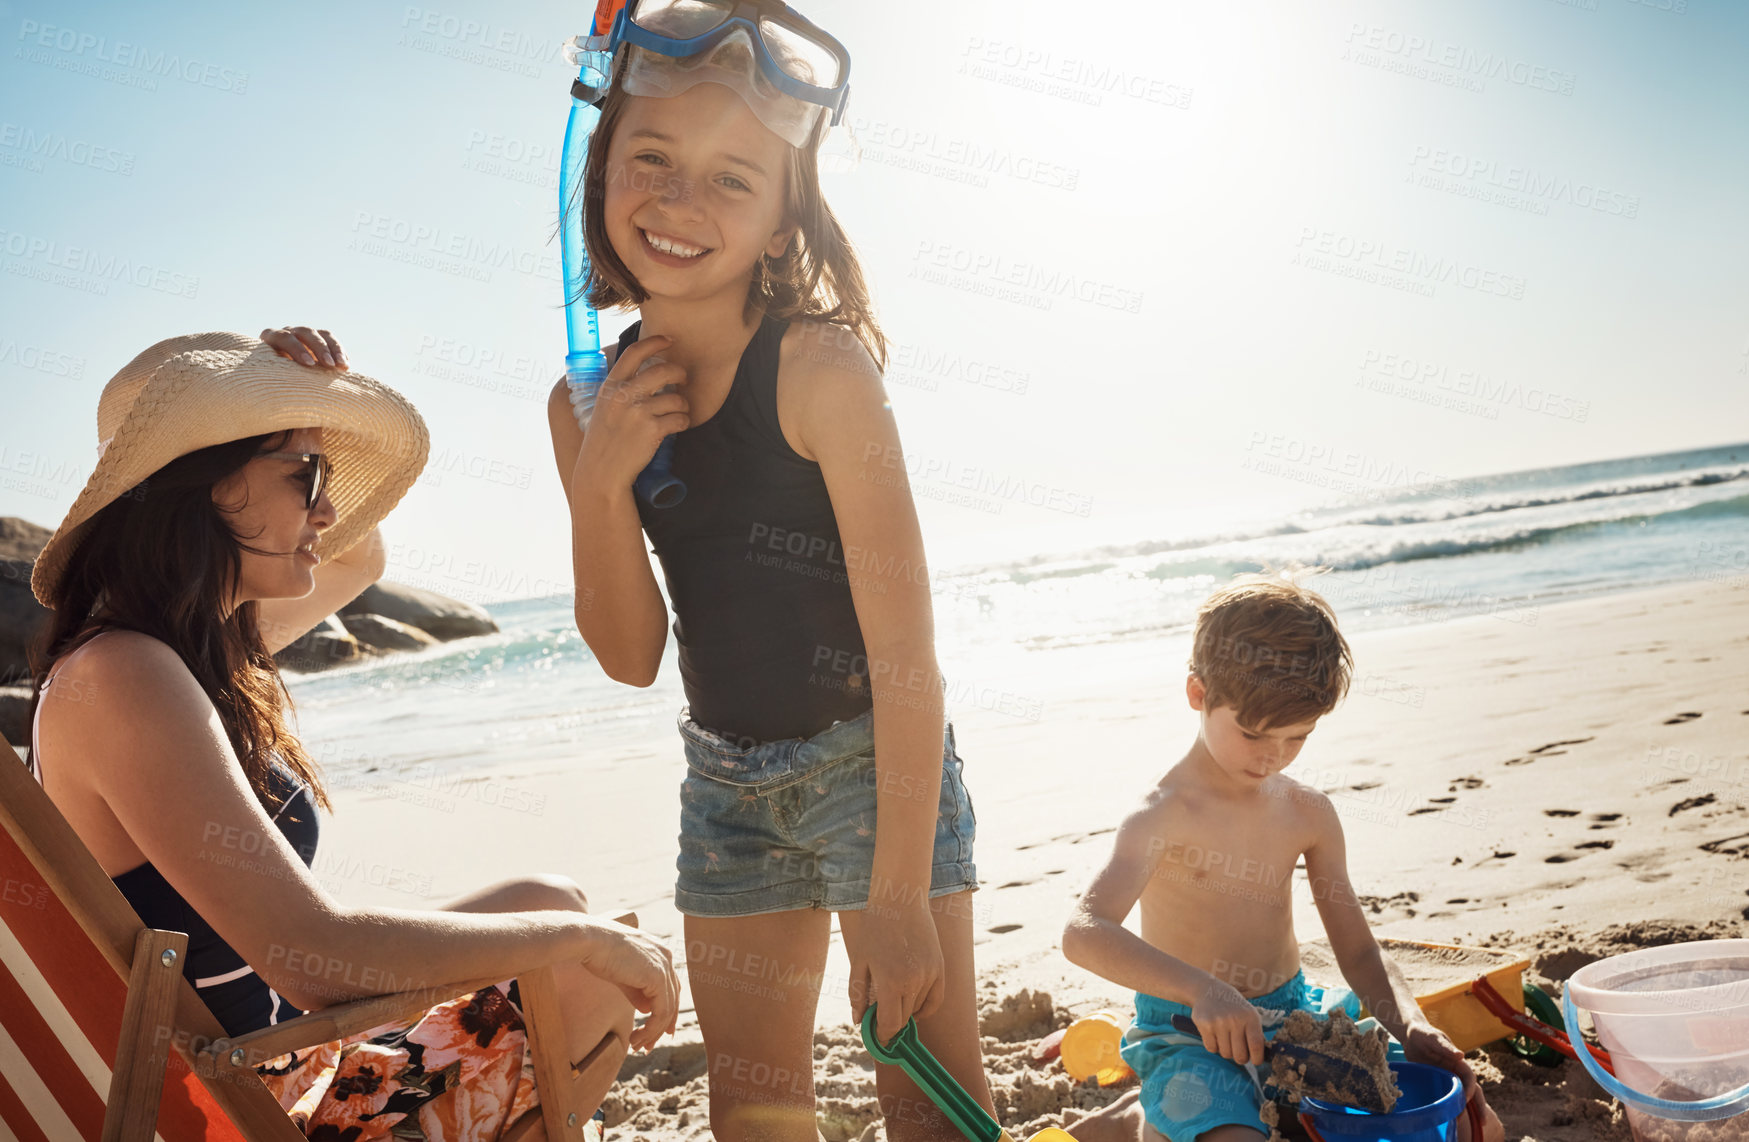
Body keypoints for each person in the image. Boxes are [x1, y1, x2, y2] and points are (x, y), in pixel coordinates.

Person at [27, 327, 679, 1141]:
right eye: (305, 478)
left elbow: (351, 561)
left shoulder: (170, 654)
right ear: (198, 488)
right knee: (583, 956)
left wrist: (305, 404)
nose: (328, 509)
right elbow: (311, 960)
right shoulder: (126, 678)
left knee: (552, 902)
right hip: (260, 1100)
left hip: (270, 1059)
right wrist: (583, 943)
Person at [544, 4, 988, 1140]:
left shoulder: (820, 367)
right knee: (756, 1111)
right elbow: (632, 655)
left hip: (875, 773)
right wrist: (602, 485)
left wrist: (896, 896)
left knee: (930, 1099)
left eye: (733, 180)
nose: (680, 203)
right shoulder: (584, 402)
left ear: (786, 225)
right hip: (723, 792)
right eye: (651, 160)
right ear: (598, 177)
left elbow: (906, 653)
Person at [1060, 571, 1504, 1142]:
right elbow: (1083, 931)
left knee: (1472, 1124)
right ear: (1198, 695)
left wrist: (1411, 1025)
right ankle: (1138, 1119)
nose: (1275, 757)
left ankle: (1165, 1115)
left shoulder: (1307, 813)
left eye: (1297, 737)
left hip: (1292, 1021)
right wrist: (1205, 991)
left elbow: (1362, 953)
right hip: (1187, 1030)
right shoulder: (1162, 814)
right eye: (1253, 735)